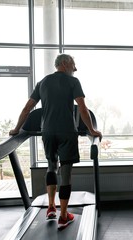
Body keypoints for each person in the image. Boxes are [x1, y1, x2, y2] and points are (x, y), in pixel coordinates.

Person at [9, 54, 102, 230]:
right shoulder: (73, 82)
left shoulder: (43, 82)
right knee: (65, 173)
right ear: (65, 64)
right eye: (73, 65)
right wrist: (91, 130)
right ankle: (64, 216)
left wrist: (16, 128)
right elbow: (82, 108)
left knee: (51, 166)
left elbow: (27, 108)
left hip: (48, 132)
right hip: (67, 132)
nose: (75, 69)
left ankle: (51, 207)